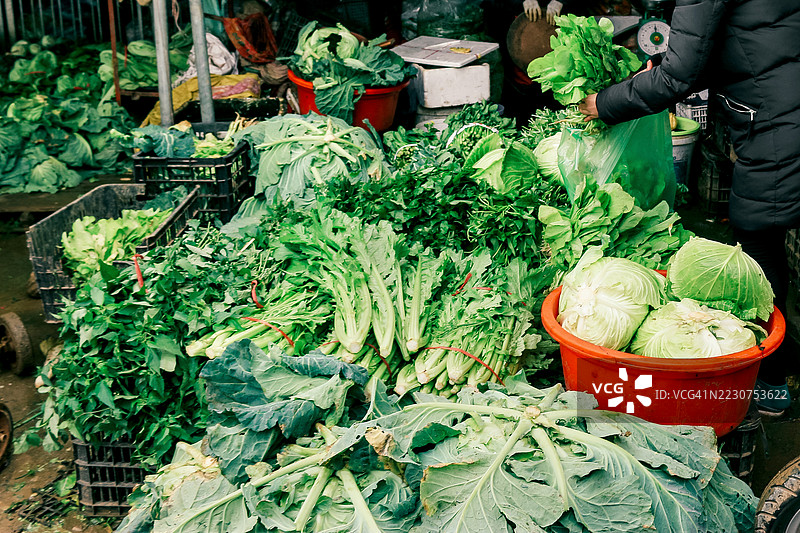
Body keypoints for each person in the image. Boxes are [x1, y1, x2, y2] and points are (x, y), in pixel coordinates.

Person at [578, 1, 800, 416]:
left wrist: (604, 103)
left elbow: (680, 77)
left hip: (776, 121)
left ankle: (769, 380)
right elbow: (745, 35)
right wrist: (664, 60)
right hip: (782, 101)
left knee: (757, 236)